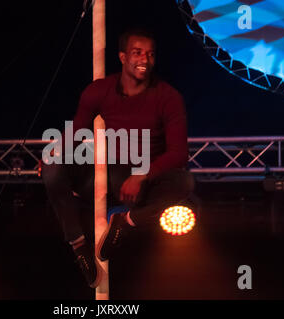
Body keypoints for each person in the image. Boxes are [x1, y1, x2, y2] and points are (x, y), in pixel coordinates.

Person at [41, 28, 195, 288]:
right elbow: (77, 131)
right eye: (137, 53)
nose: (144, 59)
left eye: (150, 54)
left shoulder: (169, 97)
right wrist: (51, 155)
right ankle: (79, 247)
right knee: (52, 167)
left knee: (185, 183)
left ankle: (126, 222)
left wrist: (142, 174)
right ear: (123, 57)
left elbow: (179, 153)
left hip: (142, 180)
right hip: (105, 174)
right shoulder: (99, 90)